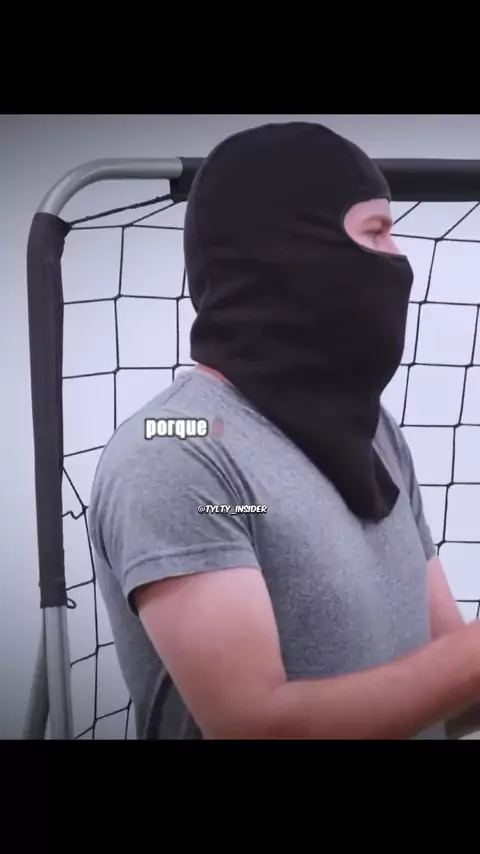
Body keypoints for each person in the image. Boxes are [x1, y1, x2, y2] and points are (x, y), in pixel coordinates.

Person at [88, 122, 480, 739]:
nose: (398, 258)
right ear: (290, 250)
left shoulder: (373, 432)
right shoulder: (176, 452)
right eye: (375, 231)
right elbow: (255, 725)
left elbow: (451, 697)